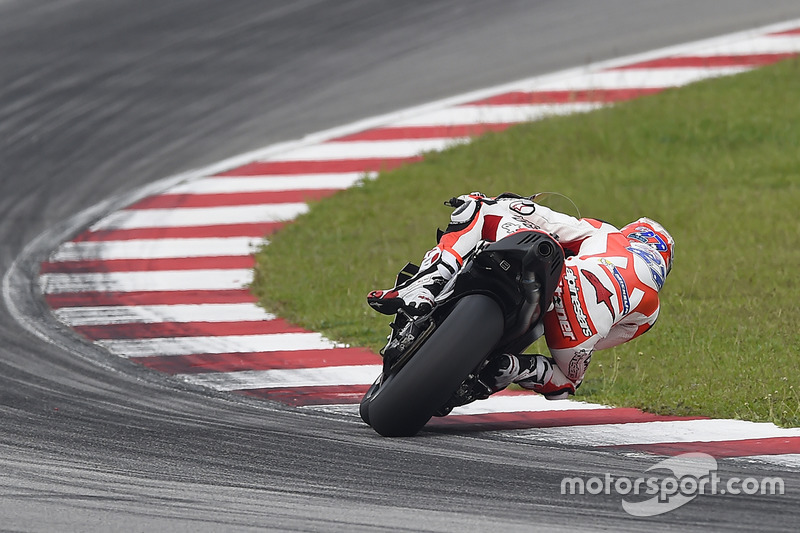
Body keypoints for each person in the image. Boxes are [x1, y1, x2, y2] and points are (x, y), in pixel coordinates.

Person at [367, 192, 674, 400]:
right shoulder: (651, 310)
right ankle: (517, 368)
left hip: (564, 279)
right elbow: (604, 338)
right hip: (577, 333)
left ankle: (428, 283)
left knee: (481, 207)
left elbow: (550, 223)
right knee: (568, 384)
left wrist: (511, 203)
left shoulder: (610, 234)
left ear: (634, 234)